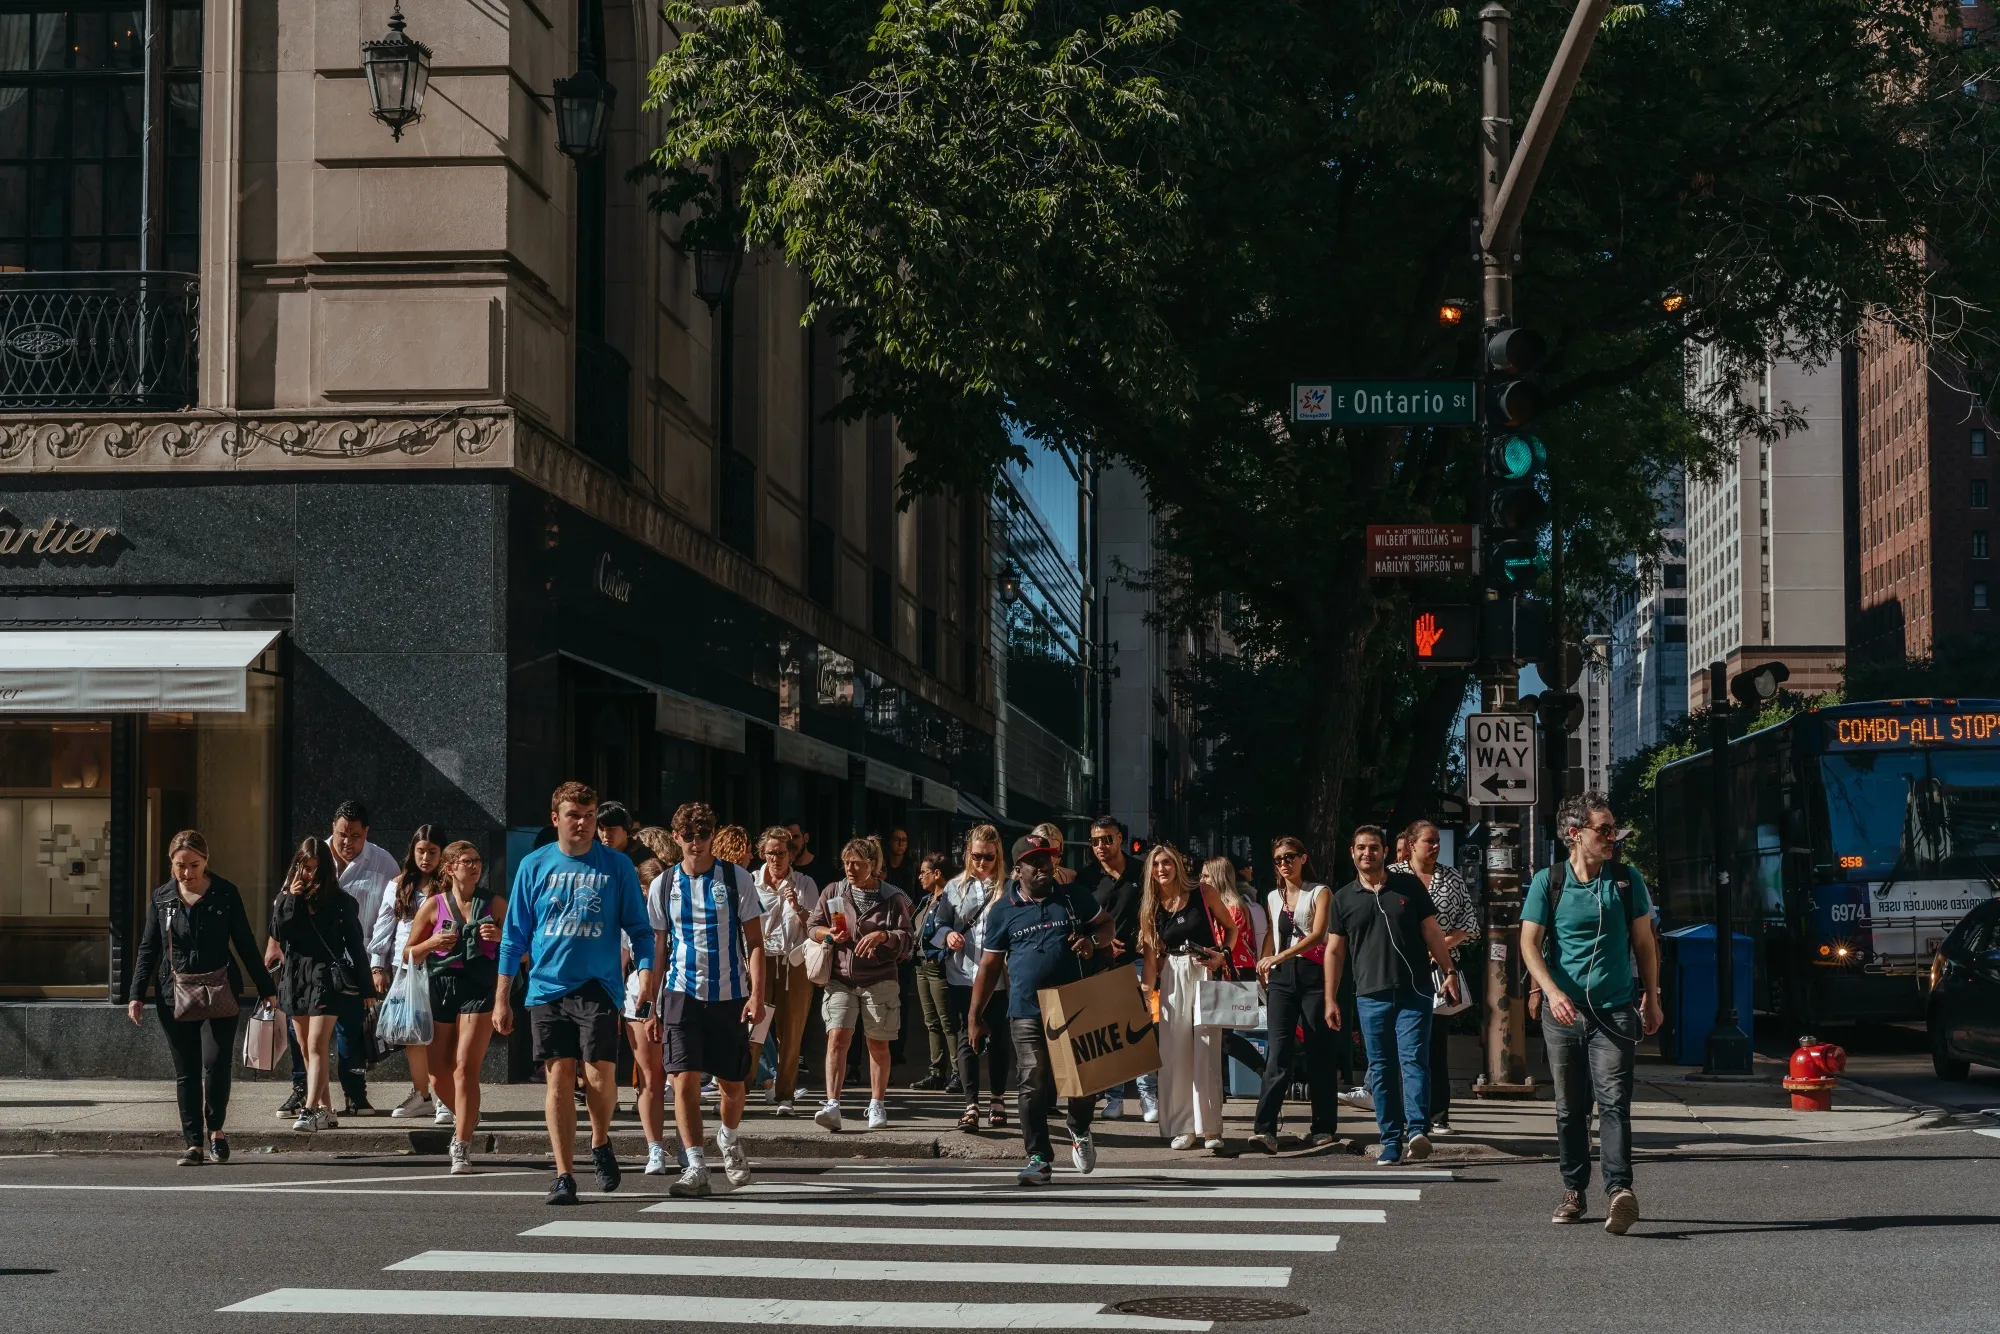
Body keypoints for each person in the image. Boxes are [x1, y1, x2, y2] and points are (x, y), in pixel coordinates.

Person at [496, 781, 655, 1206]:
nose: (583, 823)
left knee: (601, 1077)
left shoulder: (616, 866)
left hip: (598, 986)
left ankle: (600, 1140)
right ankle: (564, 1174)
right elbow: (513, 936)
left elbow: (640, 929)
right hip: (547, 987)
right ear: (556, 819)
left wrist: (646, 971)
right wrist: (503, 995)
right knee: (559, 1079)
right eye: (574, 815)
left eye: (589, 816)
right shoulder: (534, 865)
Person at [1521, 791, 1663, 1235]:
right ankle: (1574, 1190)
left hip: (1616, 1010)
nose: (1612, 836)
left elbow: (1644, 942)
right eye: (1603, 830)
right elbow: (1528, 943)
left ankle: (1619, 1191)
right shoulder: (1550, 881)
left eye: (1613, 828)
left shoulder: (1625, 879)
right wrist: (1550, 991)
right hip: (1563, 1014)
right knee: (1570, 1108)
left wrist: (1652, 996)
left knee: (1614, 1102)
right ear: (1574, 833)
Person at [967, 832, 1112, 1184]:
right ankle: (1038, 1158)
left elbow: (1106, 926)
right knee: (1032, 1080)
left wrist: (1091, 942)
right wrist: (975, 1016)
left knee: (1083, 1082)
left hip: (1074, 1004)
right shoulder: (1003, 911)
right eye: (1037, 862)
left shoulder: (1073, 897)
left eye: (1049, 860)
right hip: (1027, 1009)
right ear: (1019, 870)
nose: (1046, 867)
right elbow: (988, 967)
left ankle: (1078, 1127)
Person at [126, 830, 277, 1165]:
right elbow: (148, 949)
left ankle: (217, 1131)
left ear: (206, 861)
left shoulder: (225, 894)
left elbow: (245, 943)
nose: (187, 872)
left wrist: (267, 988)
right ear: (171, 863)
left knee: (217, 1063)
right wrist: (137, 993)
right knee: (187, 1070)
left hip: (220, 989)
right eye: (180, 865)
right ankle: (193, 1143)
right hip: (173, 992)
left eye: (194, 864)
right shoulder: (162, 898)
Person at [1322, 825, 1460, 1166]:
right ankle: (1390, 1142)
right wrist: (1330, 998)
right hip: (1370, 995)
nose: (1366, 853)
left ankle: (1417, 1131)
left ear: (1385, 851)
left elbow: (1432, 932)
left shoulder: (1408, 886)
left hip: (1414, 992)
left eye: (1373, 847)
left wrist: (1450, 972)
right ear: (1352, 853)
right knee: (1381, 1069)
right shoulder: (1343, 898)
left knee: (1414, 1061)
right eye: (1360, 848)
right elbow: (1335, 952)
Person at [647, 802, 767, 1196]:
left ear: (712, 836)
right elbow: (659, 947)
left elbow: (754, 942)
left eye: (703, 835)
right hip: (681, 992)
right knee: (682, 1079)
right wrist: (651, 1006)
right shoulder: (664, 885)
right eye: (688, 835)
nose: (696, 843)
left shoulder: (736, 879)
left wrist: (757, 995)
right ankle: (695, 1165)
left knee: (733, 1084)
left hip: (729, 993)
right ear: (676, 837)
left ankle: (728, 1138)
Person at [403, 840, 506, 1174]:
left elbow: (524, 952)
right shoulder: (434, 906)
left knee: (464, 1068)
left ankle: (460, 1144)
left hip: (479, 987)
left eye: (477, 860)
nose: (474, 866)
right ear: (449, 869)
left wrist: (500, 938)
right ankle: (468, 1115)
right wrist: (432, 943)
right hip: (441, 987)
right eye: (466, 861)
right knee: (437, 1073)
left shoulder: (494, 903)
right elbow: (407, 953)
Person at [269, 836, 377, 1132]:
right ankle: (327, 1110)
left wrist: (367, 989)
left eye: (316, 870)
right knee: (305, 1048)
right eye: (305, 869)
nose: (310, 875)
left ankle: (309, 1111)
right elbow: (279, 931)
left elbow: (356, 946)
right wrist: (291, 896)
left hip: (325, 978)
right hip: (295, 977)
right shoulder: (286, 899)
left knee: (316, 1045)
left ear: (327, 869)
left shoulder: (342, 902)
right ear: (297, 868)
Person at [807, 837, 914, 1131]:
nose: (850, 868)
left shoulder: (891, 898)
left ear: (872, 865)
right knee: (837, 1038)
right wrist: (828, 934)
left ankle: (877, 1104)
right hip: (840, 977)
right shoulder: (834, 891)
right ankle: (832, 1105)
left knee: (877, 1043)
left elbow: (907, 939)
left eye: (857, 863)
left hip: (879, 978)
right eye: (846, 862)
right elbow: (812, 926)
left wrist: (883, 936)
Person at [1140, 843, 1237, 1151]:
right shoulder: (1150, 909)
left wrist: (1222, 955)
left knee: (1207, 1050)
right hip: (1171, 975)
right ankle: (1183, 1126)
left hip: (1204, 971)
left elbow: (1232, 929)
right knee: (1173, 1052)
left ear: (1178, 866)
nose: (1161, 869)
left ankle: (1211, 1129)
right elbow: (1151, 958)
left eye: (1167, 862)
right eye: (1156, 865)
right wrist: (1145, 993)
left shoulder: (1203, 893)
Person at [1390, 820, 1477, 1134]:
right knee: (1402, 1044)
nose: (1436, 846)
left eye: (1438, 841)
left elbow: (1469, 923)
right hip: (1397, 970)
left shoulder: (1450, 877)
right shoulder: (1392, 876)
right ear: (1412, 844)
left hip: (1438, 972)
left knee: (1434, 1044)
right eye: (1429, 841)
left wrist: (1438, 947)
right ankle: (1402, 1115)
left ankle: (1438, 1114)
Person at [1251, 837, 1336, 1152]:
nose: (1284, 863)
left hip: (1313, 974)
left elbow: (1317, 935)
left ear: (1303, 858)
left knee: (1319, 1050)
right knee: (1278, 1050)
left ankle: (1323, 1126)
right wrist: (1265, 964)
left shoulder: (1319, 892)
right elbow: (1273, 937)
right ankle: (1265, 1129)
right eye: (1278, 859)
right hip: (1283, 978)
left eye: (1289, 857)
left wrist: (1278, 957)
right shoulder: (1273, 896)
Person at [328, 800, 400, 1115]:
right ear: (333, 828)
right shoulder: (311, 855)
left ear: (366, 833)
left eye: (355, 836)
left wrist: (378, 965)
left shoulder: (384, 864)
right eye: (342, 834)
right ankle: (302, 1094)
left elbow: (391, 919)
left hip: (359, 961)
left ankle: (356, 1096)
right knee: (303, 1032)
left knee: (353, 1031)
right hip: (316, 960)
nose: (347, 842)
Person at [372, 825, 449, 1122]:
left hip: (441, 967)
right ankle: (422, 1095)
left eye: (432, 852)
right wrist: (378, 966)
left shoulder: (448, 885)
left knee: (439, 1034)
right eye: (420, 851)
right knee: (413, 1034)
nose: (426, 858)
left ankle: (444, 1097)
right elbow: (384, 928)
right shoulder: (399, 884)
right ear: (412, 851)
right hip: (406, 967)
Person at [939, 826, 1011, 1131]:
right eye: (977, 856)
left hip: (999, 977)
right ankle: (971, 1105)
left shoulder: (1009, 887)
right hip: (963, 973)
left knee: (998, 1039)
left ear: (998, 855)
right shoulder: (954, 887)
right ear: (969, 853)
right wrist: (949, 934)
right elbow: (939, 923)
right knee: (966, 1038)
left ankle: (997, 1098)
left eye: (988, 857)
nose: (982, 863)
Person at [748, 825, 820, 1114]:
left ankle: (785, 1095)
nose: (775, 859)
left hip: (795, 963)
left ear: (792, 854)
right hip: (761, 962)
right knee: (754, 1030)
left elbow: (816, 927)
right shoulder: (751, 882)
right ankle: (739, 1092)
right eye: (769, 853)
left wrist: (797, 906)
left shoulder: (805, 884)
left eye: (780, 853)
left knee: (790, 1033)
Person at [1086, 816, 1152, 1122]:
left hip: (1137, 957)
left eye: (1107, 839)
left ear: (1120, 839)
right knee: (1110, 1031)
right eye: (1096, 840)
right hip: (1101, 960)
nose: (1101, 846)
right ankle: (1113, 1097)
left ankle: (1146, 1094)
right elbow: (1082, 919)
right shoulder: (1088, 877)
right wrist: (1102, 942)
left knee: (1141, 1025)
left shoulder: (1142, 871)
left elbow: (1153, 910)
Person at [910, 852, 956, 1091]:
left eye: (924, 872)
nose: (920, 877)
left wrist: (941, 954)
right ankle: (937, 1072)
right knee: (932, 1021)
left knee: (947, 1020)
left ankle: (958, 1073)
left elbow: (953, 931)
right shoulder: (927, 900)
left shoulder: (951, 899)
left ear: (937, 873)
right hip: (921, 964)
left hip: (938, 965)